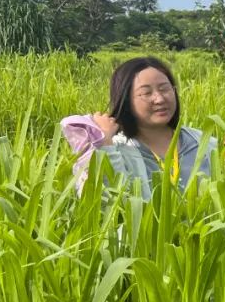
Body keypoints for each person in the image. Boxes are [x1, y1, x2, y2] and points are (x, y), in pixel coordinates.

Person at [61, 56, 213, 200]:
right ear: (126, 100)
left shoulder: (203, 143)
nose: (159, 99)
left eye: (165, 89)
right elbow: (105, 207)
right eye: (146, 93)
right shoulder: (117, 149)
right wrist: (105, 145)